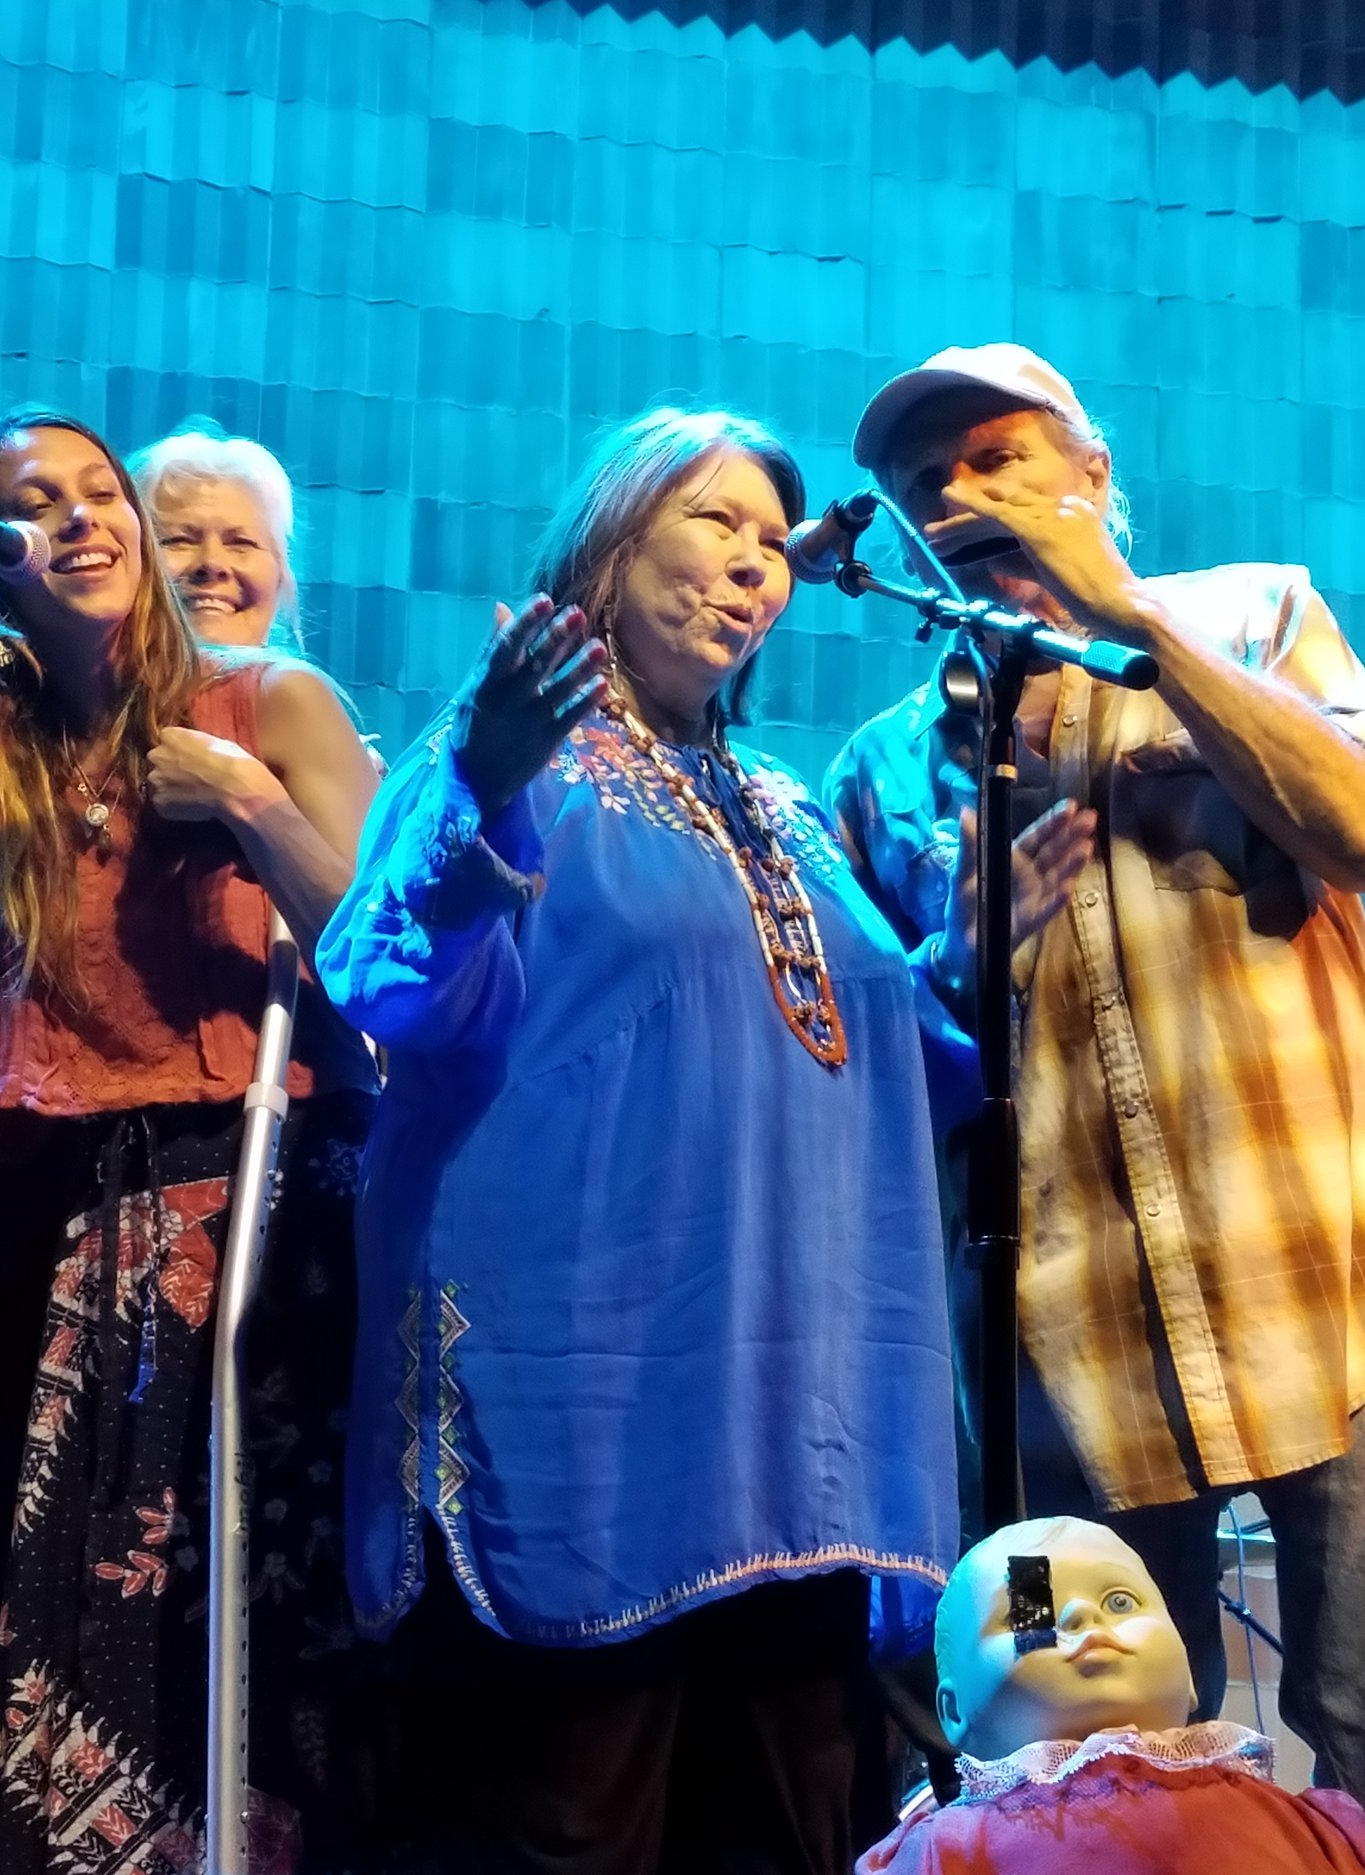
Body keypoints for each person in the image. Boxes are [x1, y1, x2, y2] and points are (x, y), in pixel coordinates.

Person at [825, 343, 1365, 1875]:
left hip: (1346, 1290)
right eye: (921, 479)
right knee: (1066, 1791)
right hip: (1051, 1370)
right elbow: (887, 1094)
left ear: (1092, 473)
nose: (958, 493)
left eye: (997, 457)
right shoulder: (883, 767)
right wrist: (963, 954)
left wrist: (1133, 620)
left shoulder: (1256, 614)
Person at [316, 408, 966, 1875]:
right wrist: (486, 783)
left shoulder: (791, 808)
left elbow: (904, 1076)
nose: (755, 567)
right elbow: (380, 978)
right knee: (570, 1828)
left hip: (803, 1446)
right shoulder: (500, 759)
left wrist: (980, 952)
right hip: (591, 1430)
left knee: (800, 1842)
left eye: (770, 544)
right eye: (715, 524)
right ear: (607, 551)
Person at [0, 407, 384, 1872]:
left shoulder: (271, 704)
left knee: (223, 1603)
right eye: (39, 505)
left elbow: (381, 964)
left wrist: (241, 801)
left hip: (249, 1200)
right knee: (56, 1605)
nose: (85, 520)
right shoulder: (1, 743)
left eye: (100, 492)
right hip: (57, 1206)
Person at [857, 1516, 1365, 1875]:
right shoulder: (944, 1850)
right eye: (1036, 1612)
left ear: (1187, 1672)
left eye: (1120, 1603)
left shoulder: (1316, 1827)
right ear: (953, 1713)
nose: (1082, 1615)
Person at [132, 424, 301, 651]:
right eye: (178, 540)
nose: (212, 563)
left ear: (280, 576)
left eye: (241, 543)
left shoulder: (304, 686)